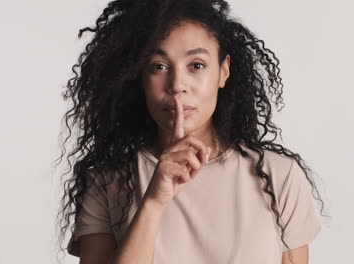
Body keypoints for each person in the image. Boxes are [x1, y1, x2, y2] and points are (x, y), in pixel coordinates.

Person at [54, 0, 328, 263]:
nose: (177, 85)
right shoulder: (106, 183)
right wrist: (153, 201)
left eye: (196, 65)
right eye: (159, 67)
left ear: (223, 71)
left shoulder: (278, 176)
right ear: (139, 77)